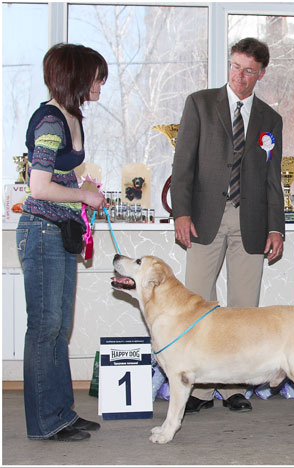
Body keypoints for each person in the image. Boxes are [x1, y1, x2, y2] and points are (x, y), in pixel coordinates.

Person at [170, 37, 285, 414]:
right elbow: (182, 164)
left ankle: (236, 388)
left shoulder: (270, 119)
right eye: (235, 67)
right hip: (203, 219)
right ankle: (200, 391)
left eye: (248, 70)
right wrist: (181, 212)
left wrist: (276, 227)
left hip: (251, 223)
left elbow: (272, 179)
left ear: (261, 74)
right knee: (197, 307)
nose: (239, 75)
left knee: (244, 311)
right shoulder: (199, 104)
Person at [17, 43, 108, 441]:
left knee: (59, 328)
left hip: (59, 233)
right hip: (41, 233)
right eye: (96, 77)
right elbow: (38, 187)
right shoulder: (50, 122)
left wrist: (82, 189)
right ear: (76, 78)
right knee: (45, 328)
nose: (100, 84)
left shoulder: (72, 117)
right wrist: (83, 195)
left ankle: (62, 413)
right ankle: (46, 422)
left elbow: (58, 175)